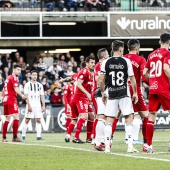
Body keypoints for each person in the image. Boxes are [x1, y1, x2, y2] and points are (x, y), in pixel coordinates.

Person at [100, 40, 138, 153]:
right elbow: (132, 78)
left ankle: (107, 147)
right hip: (124, 93)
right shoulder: (126, 61)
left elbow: (101, 80)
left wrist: (103, 93)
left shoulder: (105, 62)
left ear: (112, 49)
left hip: (111, 93)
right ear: (121, 50)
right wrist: (135, 92)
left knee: (109, 120)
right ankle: (130, 146)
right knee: (129, 117)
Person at [143, 33, 170, 153]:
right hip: (164, 88)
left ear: (160, 42)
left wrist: (152, 82)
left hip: (153, 89)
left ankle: (148, 146)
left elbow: (144, 73)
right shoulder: (167, 53)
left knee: (151, 117)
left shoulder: (151, 54)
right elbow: (165, 68)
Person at [70, 56, 95, 143]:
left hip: (85, 98)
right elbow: (79, 84)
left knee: (92, 116)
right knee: (84, 116)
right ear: (87, 63)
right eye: (91, 63)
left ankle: (88, 138)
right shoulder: (84, 71)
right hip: (80, 97)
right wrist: (87, 93)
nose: (93, 64)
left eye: (94, 63)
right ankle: (76, 137)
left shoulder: (90, 74)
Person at [2, 64, 26, 142]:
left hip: (5, 100)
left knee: (7, 119)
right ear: (14, 69)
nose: (19, 71)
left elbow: (3, 89)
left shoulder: (7, 78)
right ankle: (15, 137)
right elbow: (16, 89)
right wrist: (22, 95)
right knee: (16, 117)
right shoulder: (14, 78)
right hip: (11, 99)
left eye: (20, 70)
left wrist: (3, 96)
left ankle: (4, 138)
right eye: (18, 70)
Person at [92, 48, 109, 150]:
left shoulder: (100, 65)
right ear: (104, 56)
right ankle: (98, 141)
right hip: (100, 92)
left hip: (101, 92)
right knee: (101, 116)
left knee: (104, 117)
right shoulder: (100, 65)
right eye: (107, 55)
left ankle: (101, 140)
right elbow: (99, 80)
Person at [21, 70, 45, 140]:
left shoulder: (40, 85)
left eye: (36, 75)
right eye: (33, 75)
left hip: (38, 105)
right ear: (31, 75)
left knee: (38, 120)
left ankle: (38, 136)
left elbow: (42, 95)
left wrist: (43, 105)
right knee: (27, 120)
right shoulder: (27, 84)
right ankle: (23, 135)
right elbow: (26, 95)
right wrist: (28, 105)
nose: (35, 76)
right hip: (30, 104)